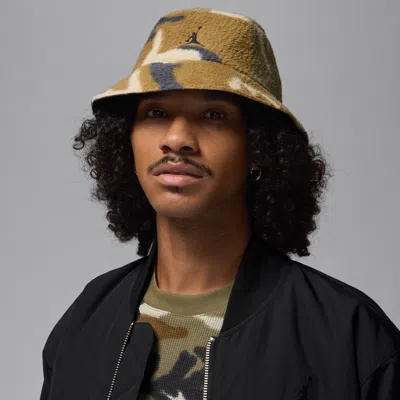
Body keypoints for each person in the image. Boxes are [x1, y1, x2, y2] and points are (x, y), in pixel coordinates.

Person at [40, 8, 400, 400]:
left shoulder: (349, 336)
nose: (177, 139)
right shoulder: (87, 320)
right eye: (156, 113)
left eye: (214, 115)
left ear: (259, 148)